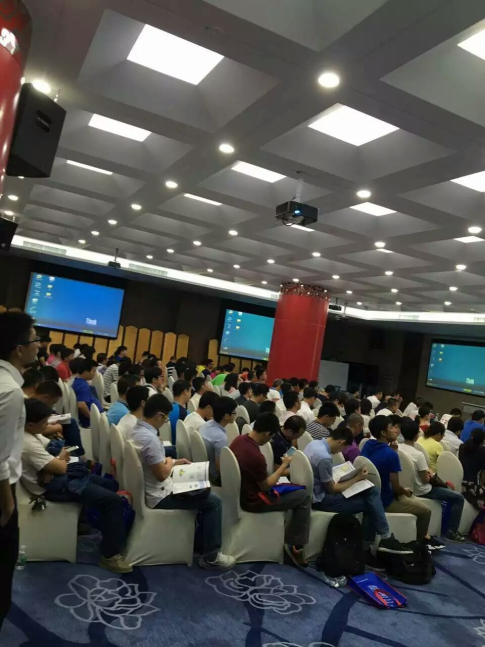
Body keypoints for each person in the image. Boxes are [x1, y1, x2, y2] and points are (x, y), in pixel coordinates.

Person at [21, 398, 132, 573]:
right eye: (44, 423)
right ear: (30, 424)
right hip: (52, 489)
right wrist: (57, 461)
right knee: (114, 501)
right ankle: (110, 555)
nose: (47, 427)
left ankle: (102, 526)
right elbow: (61, 465)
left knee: (109, 485)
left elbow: (56, 447)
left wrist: (54, 460)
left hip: (60, 479)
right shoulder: (27, 443)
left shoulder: (31, 433)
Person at [131, 394, 235, 570]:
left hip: (155, 488)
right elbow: (161, 475)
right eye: (165, 419)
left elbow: (157, 466)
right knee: (214, 501)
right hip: (160, 495)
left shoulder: (137, 429)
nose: (164, 423)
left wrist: (172, 462)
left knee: (201, 483)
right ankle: (211, 556)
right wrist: (170, 462)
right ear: (159, 415)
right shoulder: (150, 439)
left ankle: (201, 541)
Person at [305, 426, 409, 566]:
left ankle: (383, 536)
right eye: (343, 449)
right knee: (372, 505)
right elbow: (332, 489)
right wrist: (357, 478)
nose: (340, 452)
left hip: (314, 491)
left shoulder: (313, 444)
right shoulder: (324, 458)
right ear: (341, 442)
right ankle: (370, 546)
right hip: (323, 499)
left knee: (372, 492)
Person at [0, 312, 40, 628]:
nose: (39, 345)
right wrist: (8, 503)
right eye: (35, 340)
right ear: (19, 349)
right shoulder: (10, 391)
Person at [231, 413, 311, 567]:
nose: (271, 440)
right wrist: (283, 466)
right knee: (304, 496)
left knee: (293, 491)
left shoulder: (239, 440)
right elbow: (266, 485)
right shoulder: (256, 456)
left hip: (241, 492)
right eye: (271, 436)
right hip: (254, 500)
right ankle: (296, 546)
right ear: (267, 433)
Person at [362, 416, 433, 546]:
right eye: (392, 427)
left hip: (369, 494)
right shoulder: (391, 455)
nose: (396, 430)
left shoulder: (368, 445)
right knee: (426, 511)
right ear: (383, 433)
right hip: (386, 500)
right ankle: (419, 546)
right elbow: (396, 488)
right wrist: (404, 491)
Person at [399, 419, 465, 543]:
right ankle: (452, 532)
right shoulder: (418, 455)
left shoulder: (397, 449)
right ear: (416, 435)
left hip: (404, 487)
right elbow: (424, 480)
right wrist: (431, 476)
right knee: (458, 498)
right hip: (422, 490)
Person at [200, 397, 237, 484]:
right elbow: (220, 468)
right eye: (234, 412)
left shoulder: (206, 424)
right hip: (213, 478)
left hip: (203, 468)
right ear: (226, 416)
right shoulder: (220, 438)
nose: (236, 414)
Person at [72, 359, 103, 428]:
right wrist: (93, 419)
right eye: (93, 371)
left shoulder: (79, 382)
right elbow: (81, 405)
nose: (95, 374)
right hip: (90, 422)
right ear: (86, 372)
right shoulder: (82, 386)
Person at [459, 429, 485, 510]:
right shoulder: (482, 451)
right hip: (474, 488)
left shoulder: (462, 447)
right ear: (482, 440)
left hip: (459, 484)